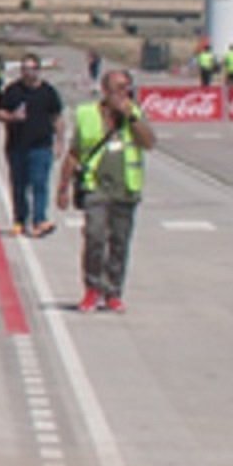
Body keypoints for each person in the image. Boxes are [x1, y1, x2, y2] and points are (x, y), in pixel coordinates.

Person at [58, 68, 155, 312]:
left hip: (125, 188)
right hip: (96, 187)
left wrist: (130, 117)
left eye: (127, 89)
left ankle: (113, 291)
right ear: (105, 91)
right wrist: (63, 187)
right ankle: (93, 287)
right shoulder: (88, 115)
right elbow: (74, 153)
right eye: (117, 89)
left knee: (119, 242)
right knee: (94, 237)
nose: (123, 94)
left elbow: (149, 142)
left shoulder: (134, 113)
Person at [0, 54, 64, 237]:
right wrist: (11, 117)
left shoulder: (48, 92)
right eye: (24, 69)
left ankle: (39, 220)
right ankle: (19, 220)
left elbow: (57, 118)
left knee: (39, 183)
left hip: (41, 146)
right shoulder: (12, 91)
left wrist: (59, 142)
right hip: (17, 146)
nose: (28, 72)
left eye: (31, 69)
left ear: (38, 70)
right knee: (19, 185)